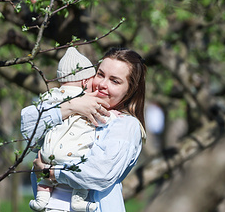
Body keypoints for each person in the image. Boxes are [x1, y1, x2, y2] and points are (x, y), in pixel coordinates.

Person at [21, 47, 147, 212]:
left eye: (114, 81)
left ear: (130, 91)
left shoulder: (124, 125)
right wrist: (72, 106)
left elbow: (99, 173)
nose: (102, 84)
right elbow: (28, 127)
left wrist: (50, 172)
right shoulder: (70, 107)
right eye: (100, 74)